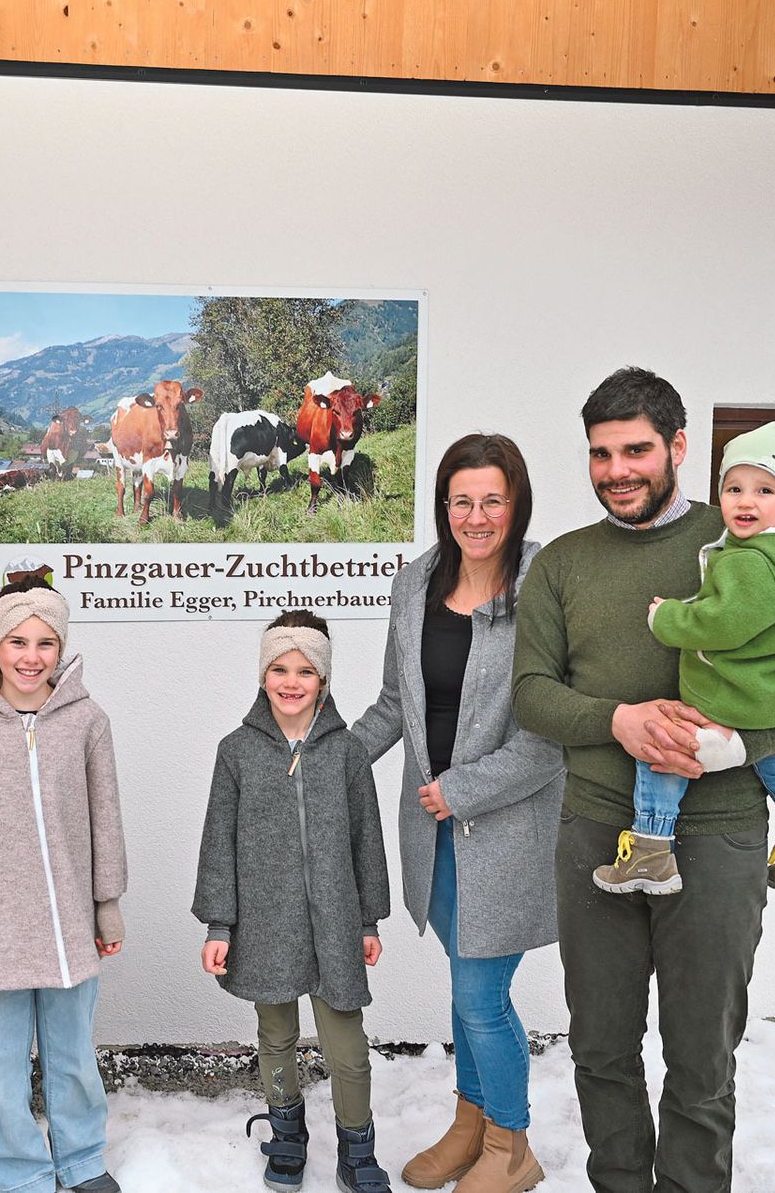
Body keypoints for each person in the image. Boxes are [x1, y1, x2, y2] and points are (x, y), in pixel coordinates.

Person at [511, 368, 775, 1193]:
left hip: (720, 834)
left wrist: (741, 746)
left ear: (678, 447)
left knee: (701, 1055)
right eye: (601, 454)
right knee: (601, 1047)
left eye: (636, 450)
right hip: (598, 831)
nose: (616, 470)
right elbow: (531, 694)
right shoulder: (562, 564)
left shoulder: (748, 536)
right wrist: (618, 721)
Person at [350, 433, 565, 1193]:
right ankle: (471, 1124)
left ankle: (513, 1144)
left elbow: (552, 733)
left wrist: (462, 790)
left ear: (516, 503)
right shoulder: (415, 583)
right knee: (465, 989)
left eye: (492, 501)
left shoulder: (544, 585)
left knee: (481, 997)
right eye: (461, 501)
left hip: (505, 831)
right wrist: (332, 759)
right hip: (432, 835)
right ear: (444, 506)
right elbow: (395, 704)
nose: (476, 516)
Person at [594, 419, 775, 896]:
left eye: (765, 490)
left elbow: (722, 624)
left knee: (665, 747)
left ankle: (651, 850)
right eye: (734, 488)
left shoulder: (749, 561)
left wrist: (666, 618)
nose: (746, 502)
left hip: (731, 697)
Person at [0, 578, 128, 1193]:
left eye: (46, 643)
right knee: (2, 1060)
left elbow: (105, 820)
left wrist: (107, 904)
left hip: (70, 922)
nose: (31, 656)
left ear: (61, 649)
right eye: (17, 641)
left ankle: (81, 1158)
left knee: (72, 1053)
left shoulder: (88, 722)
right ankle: (19, 1170)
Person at [192, 612, 392, 1193]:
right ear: (263, 675)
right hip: (265, 924)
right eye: (279, 668)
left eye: (306, 671)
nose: (291, 681)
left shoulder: (347, 752)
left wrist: (367, 919)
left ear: (323, 679)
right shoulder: (236, 751)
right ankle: (286, 1134)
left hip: (336, 923)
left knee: (347, 1047)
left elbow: (367, 838)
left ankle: (358, 1149)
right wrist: (219, 925)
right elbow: (219, 842)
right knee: (276, 1035)